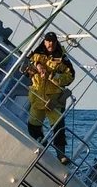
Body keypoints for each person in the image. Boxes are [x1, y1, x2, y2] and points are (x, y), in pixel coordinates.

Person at [26, 31, 75, 164]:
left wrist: (53, 76)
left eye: (53, 41)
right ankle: (41, 144)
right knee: (33, 125)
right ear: (44, 41)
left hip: (53, 100)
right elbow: (26, 65)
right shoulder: (36, 54)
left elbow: (70, 77)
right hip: (37, 98)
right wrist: (37, 67)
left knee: (58, 127)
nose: (50, 44)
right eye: (48, 41)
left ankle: (61, 156)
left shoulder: (62, 59)